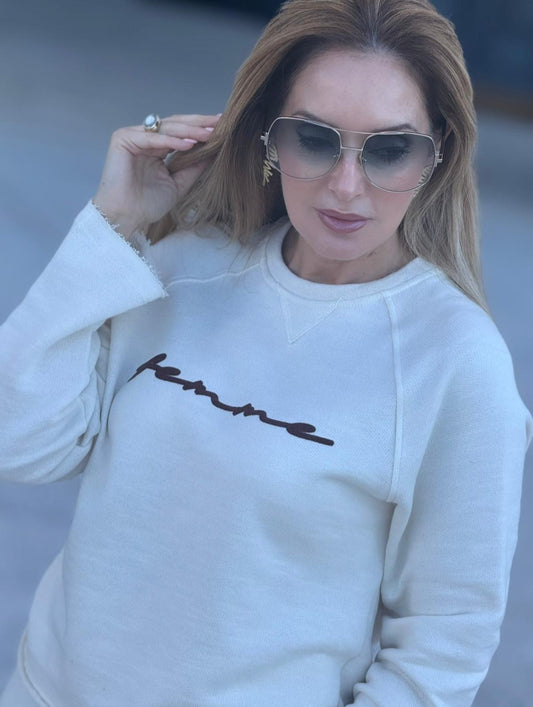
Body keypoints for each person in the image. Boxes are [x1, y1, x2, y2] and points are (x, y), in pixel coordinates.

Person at [0, 0, 531, 704]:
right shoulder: (182, 267)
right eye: (314, 138)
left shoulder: (456, 363)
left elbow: (444, 643)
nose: (346, 185)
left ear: (437, 156)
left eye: (388, 149)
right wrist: (113, 224)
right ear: (269, 137)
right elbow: (19, 441)